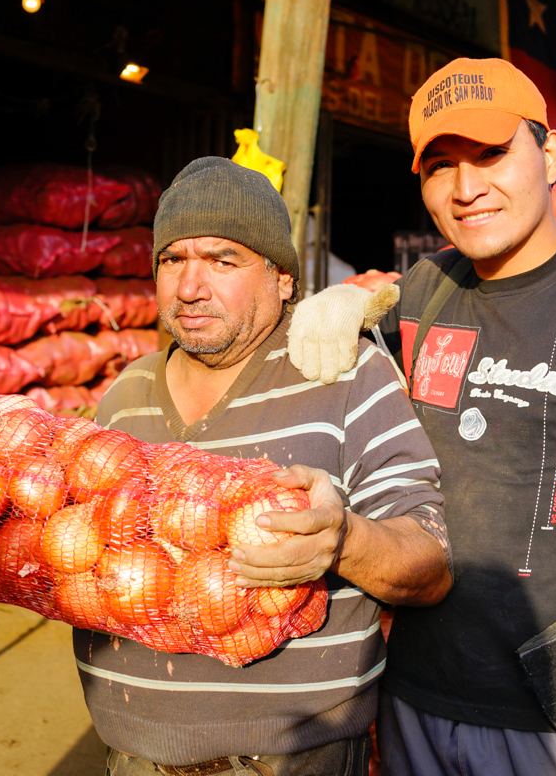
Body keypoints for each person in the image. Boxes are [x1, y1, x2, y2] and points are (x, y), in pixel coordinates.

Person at [282, 58, 556, 775]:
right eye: (440, 166)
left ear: (549, 154)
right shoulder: (424, 292)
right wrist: (354, 303)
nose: (467, 188)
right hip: (414, 700)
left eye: (492, 153)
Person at [75, 156, 453, 776]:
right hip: (131, 756)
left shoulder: (345, 374)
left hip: (296, 759)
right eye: (173, 260)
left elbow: (430, 563)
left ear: (282, 279)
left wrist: (345, 542)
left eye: (223, 260)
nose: (190, 286)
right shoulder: (123, 395)